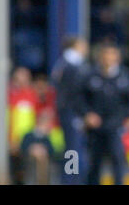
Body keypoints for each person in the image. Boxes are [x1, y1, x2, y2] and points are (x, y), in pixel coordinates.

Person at [79, 43, 129, 185]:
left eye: (112, 55)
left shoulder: (124, 76)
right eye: (105, 55)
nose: (108, 58)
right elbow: (81, 99)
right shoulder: (90, 76)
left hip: (115, 126)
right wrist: (88, 114)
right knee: (94, 163)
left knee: (117, 159)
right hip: (95, 127)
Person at [50, 36, 90, 184]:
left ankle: (70, 179)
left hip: (68, 111)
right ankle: (71, 180)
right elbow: (75, 93)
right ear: (76, 46)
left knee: (72, 148)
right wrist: (82, 113)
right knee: (73, 149)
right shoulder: (73, 65)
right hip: (72, 112)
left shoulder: (63, 64)